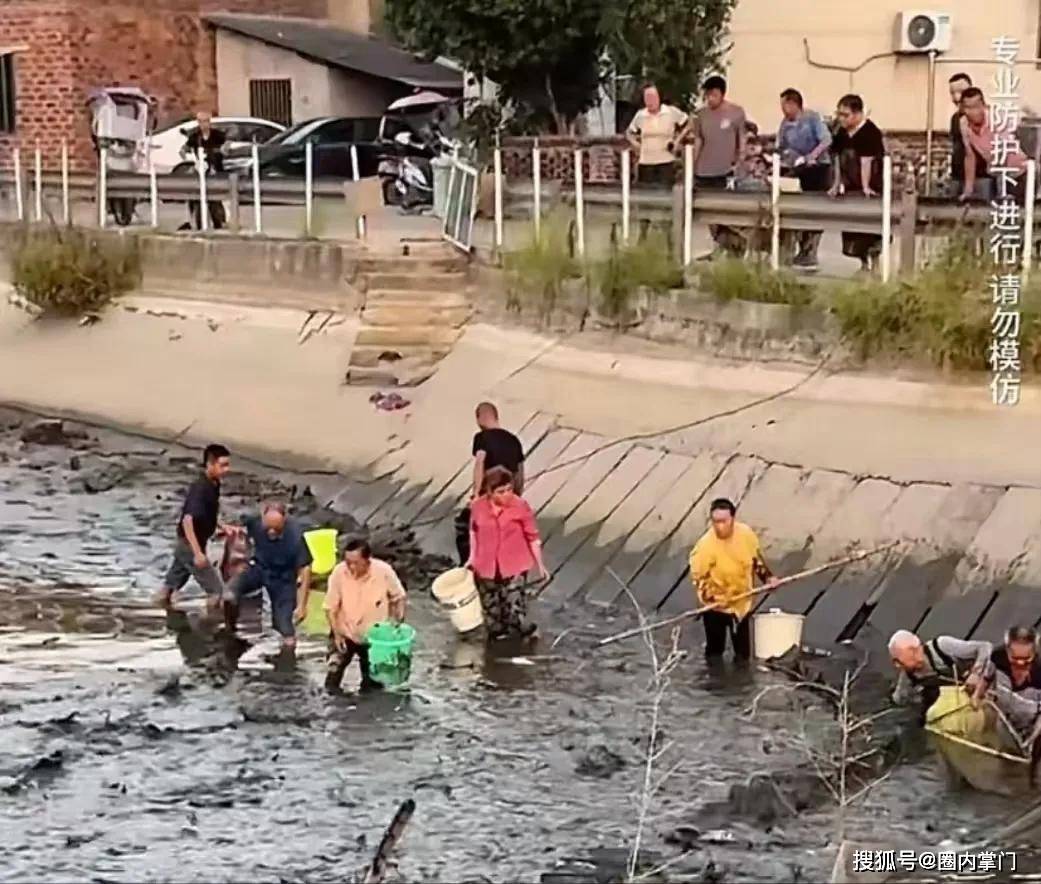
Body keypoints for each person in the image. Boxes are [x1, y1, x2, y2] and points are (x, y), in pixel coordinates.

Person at [688, 498, 778, 661]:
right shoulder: (705, 547)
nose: (719, 527)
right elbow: (699, 580)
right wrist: (713, 600)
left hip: (741, 602)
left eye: (723, 521)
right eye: (715, 522)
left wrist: (768, 578)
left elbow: (755, 559)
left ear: (733, 519)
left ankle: (741, 682)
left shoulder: (745, 534)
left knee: (743, 654)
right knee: (715, 653)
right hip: (716, 605)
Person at [468, 466, 547, 640]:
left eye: (509, 490)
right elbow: (474, 531)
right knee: (492, 613)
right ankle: (498, 646)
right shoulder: (478, 507)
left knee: (514, 608)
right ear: (489, 492)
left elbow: (533, 536)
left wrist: (540, 565)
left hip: (514, 565)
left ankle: (526, 634)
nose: (507, 495)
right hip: (486, 565)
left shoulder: (520, 506)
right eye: (501, 491)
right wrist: (472, 557)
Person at [223, 501, 312, 652]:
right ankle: (230, 631)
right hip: (259, 568)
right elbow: (230, 522)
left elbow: (306, 569)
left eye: (275, 528)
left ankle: (288, 663)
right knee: (228, 595)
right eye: (267, 527)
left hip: (283, 578)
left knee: (284, 628)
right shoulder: (254, 520)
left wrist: (302, 605)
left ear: (284, 521)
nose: (271, 531)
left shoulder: (295, 535)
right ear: (262, 518)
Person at [324, 538, 408, 693]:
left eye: (356, 563)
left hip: (374, 636)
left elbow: (399, 597)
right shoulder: (339, 572)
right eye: (348, 562)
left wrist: (398, 622)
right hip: (345, 632)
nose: (351, 567)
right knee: (332, 679)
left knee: (373, 684)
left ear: (367, 560)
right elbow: (330, 608)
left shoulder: (383, 571)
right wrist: (337, 634)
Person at [156, 443, 232, 612]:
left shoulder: (214, 484)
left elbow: (209, 511)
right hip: (189, 544)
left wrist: (221, 525)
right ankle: (211, 627)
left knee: (170, 586)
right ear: (210, 464)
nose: (227, 469)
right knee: (216, 591)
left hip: (191, 543)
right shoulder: (200, 488)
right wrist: (198, 553)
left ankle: (161, 610)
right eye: (223, 465)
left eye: (228, 465)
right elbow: (187, 520)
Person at [454, 402, 525, 566]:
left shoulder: (482, 437)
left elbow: (480, 463)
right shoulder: (514, 440)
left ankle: (468, 566)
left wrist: (475, 494)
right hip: (508, 494)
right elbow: (520, 472)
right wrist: (517, 496)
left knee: (463, 526)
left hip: (490, 494)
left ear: (479, 418)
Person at [829, 94, 886, 273]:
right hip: (850, 184)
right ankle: (863, 264)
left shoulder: (870, 132)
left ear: (857, 114)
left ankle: (875, 263)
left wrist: (866, 186)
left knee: (872, 228)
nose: (841, 119)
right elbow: (836, 157)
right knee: (853, 228)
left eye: (845, 115)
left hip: (872, 185)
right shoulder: (841, 133)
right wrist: (836, 183)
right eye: (840, 114)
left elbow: (867, 162)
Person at [776, 88, 832, 271]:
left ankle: (810, 251)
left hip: (818, 168)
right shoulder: (785, 124)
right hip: (798, 169)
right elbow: (781, 145)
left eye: (784, 104)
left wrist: (812, 156)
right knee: (797, 209)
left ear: (793, 104)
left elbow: (826, 140)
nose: (783, 109)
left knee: (814, 209)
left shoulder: (811, 118)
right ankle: (799, 249)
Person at [692, 76, 747, 257]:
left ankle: (735, 245)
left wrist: (739, 162)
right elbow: (698, 140)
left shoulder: (736, 113)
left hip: (725, 170)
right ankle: (720, 245)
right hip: (704, 169)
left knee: (725, 212)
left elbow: (742, 140)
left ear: (722, 94)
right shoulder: (701, 115)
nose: (710, 99)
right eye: (707, 95)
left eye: (713, 95)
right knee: (708, 214)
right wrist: (692, 165)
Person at [889, 630, 993, 717]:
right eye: (911, 652)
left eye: (917, 648)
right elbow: (899, 700)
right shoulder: (909, 678)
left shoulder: (942, 646)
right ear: (897, 663)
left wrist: (975, 673)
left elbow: (985, 647)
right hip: (965, 705)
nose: (917, 655)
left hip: (990, 687)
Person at [958, 87, 1027, 202]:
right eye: (968, 108)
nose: (973, 112)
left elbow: (1002, 153)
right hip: (995, 175)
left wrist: (1001, 191)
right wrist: (968, 190)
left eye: (976, 106)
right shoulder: (963, 123)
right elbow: (970, 156)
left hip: (1018, 173)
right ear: (963, 109)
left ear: (983, 106)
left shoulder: (996, 118)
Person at [626, 83, 689, 188]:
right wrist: (635, 144)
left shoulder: (670, 111)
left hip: (666, 161)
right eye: (647, 97)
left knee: (665, 195)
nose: (651, 101)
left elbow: (688, 123)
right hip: (646, 162)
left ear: (659, 97)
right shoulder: (641, 115)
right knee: (647, 197)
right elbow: (629, 132)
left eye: (653, 97)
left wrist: (677, 140)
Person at [183, 111, 227, 231]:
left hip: (215, 169)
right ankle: (194, 220)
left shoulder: (217, 135)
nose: (203, 124)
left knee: (215, 197)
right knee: (194, 194)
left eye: (205, 121)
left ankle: (220, 221)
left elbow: (227, 145)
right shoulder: (195, 136)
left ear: (209, 122)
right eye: (200, 122)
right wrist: (188, 156)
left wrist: (223, 149)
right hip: (201, 169)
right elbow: (184, 149)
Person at [989, 625, 1041, 692]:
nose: (1020, 662)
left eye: (1026, 658)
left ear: (1034, 652)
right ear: (1007, 650)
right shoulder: (996, 657)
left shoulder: (1039, 669)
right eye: (1015, 658)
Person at [947, 73, 972, 194]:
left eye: (961, 91)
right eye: (952, 93)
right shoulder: (955, 119)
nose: (957, 97)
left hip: (980, 177)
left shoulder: (985, 118)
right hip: (957, 177)